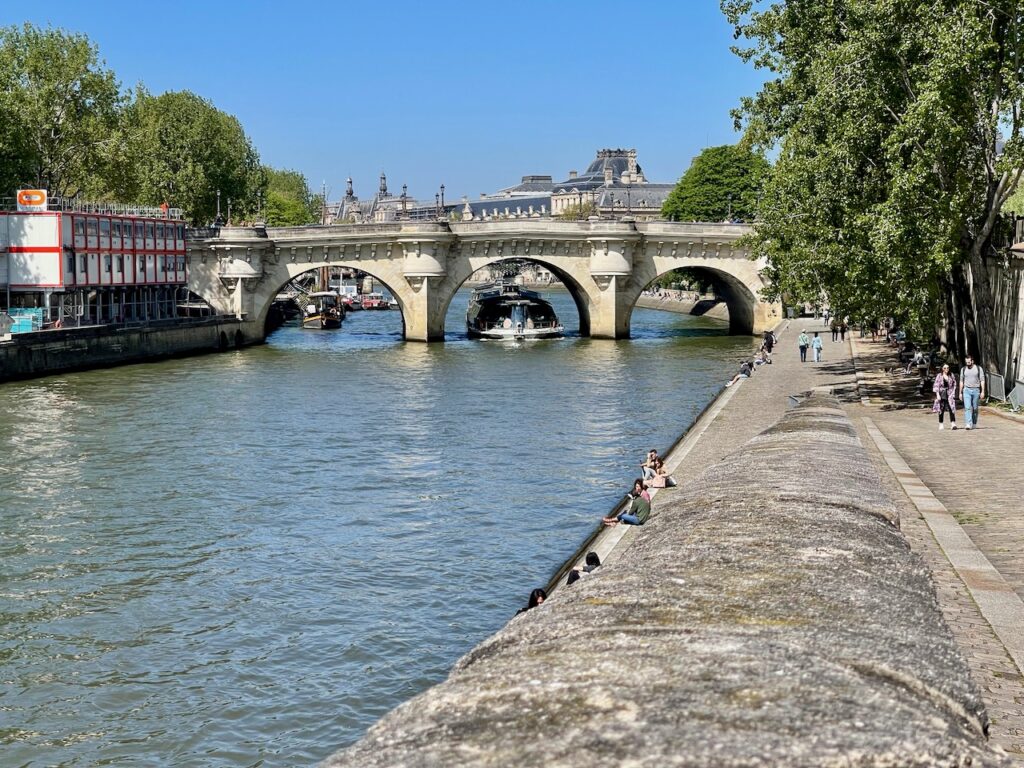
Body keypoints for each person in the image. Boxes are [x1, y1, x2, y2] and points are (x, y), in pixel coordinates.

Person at [959, 355, 985, 430]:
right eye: (966, 362)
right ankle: (968, 423)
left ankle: (974, 423)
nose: (968, 364)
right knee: (967, 408)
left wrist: (982, 391)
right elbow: (961, 381)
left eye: (969, 362)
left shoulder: (978, 369)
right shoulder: (963, 369)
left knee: (975, 408)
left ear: (972, 361)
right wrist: (960, 393)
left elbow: (982, 380)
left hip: (976, 390)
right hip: (966, 390)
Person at [933, 364, 958, 430]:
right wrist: (937, 394)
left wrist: (953, 392)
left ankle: (953, 423)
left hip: (950, 393)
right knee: (941, 408)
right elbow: (936, 385)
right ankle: (941, 423)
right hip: (942, 393)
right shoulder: (939, 375)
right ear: (942, 368)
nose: (946, 369)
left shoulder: (951, 375)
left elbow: (954, 384)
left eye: (947, 368)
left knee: (951, 408)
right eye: (944, 368)